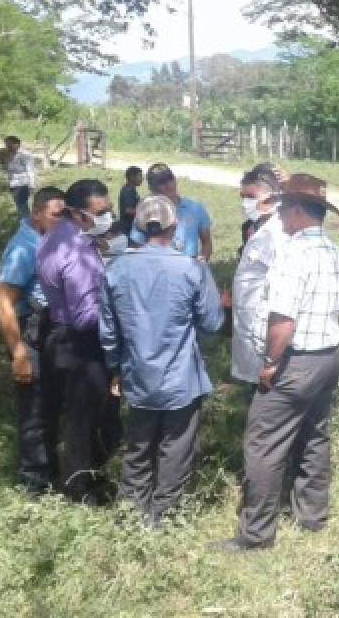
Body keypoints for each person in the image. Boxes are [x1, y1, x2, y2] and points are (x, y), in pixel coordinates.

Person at [214, 174, 339, 552]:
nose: (280, 218)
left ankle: (256, 534)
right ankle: (312, 515)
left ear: (294, 211)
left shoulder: (293, 255)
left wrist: (271, 362)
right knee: (314, 434)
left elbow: (284, 322)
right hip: (328, 357)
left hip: (296, 360)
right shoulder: (336, 253)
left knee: (263, 443)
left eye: (282, 210)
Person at [100, 196, 223, 525]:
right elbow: (212, 323)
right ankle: (164, 517)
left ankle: (130, 515)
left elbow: (109, 333)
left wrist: (116, 369)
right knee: (176, 448)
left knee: (138, 446)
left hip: (137, 373)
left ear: (138, 227)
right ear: (175, 226)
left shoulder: (115, 269)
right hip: (181, 376)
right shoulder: (191, 268)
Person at [36, 179, 122, 504]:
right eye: (101, 212)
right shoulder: (77, 252)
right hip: (82, 342)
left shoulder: (55, 237)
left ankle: (80, 480)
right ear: (78, 213)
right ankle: (84, 490)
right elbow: (87, 315)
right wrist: (122, 318)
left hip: (59, 333)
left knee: (76, 415)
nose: (107, 217)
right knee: (88, 418)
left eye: (109, 210)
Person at [0, 186, 67, 495]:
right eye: (55, 215)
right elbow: (3, 302)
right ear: (36, 213)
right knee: (34, 409)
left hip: (48, 331)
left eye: (65, 214)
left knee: (49, 403)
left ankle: (50, 470)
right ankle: (34, 482)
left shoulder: (48, 240)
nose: (60, 220)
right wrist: (18, 352)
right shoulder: (24, 247)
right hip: (28, 333)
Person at [231, 164, 286, 394]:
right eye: (243, 197)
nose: (245, 203)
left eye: (251, 197)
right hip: (247, 321)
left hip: (265, 325)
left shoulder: (279, 232)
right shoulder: (255, 227)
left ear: (273, 197)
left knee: (267, 394)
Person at [130, 163, 213, 262]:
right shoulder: (146, 212)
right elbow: (136, 245)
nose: (168, 185)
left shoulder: (195, 208)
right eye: (161, 182)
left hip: (188, 267)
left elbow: (206, 241)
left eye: (170, 179)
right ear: (152, 188)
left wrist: (202, 262)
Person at [4, 135, 36, 220]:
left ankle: (27, 224)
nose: (8, 147)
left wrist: (32, 185)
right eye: (6, 144)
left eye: (10, 144)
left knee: (22, 205)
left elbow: (31, 170)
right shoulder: (9, 155)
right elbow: (8, 169)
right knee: (18, 205)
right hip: (12, 184)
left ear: (17, 144)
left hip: (22, 184)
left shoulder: (25, 155)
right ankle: (23, 223)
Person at [118, 166, 143, 235]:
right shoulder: (128, 191)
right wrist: (144, 212)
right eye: (140, 176)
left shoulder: (131, 189)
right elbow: (128, 210)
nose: (142, 179)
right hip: (128, 228)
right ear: (132, 177)